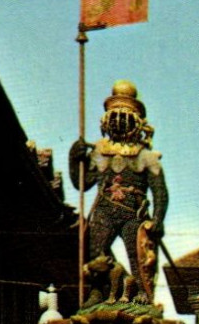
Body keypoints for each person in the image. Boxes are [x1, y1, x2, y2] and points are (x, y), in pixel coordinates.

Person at [69, 80, 168, 304]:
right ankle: (98, 290)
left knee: (138, 256)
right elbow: (82, 184)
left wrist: (158, 219)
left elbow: (159, 191)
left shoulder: (145, 155)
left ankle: (143, 291)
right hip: (105, 209)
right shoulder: (100, 152)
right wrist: (74, 158)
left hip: (133, 213)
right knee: (96, 252)